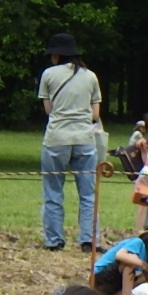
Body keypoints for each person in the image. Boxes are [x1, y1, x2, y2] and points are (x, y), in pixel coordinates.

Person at [38, 33, 102, 253]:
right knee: (88, 193)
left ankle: (54, 240)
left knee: (53, 191)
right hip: (84, 139)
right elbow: (95, 114)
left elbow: (49, 110)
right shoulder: (91, 76)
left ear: (56, 54)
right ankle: (89, 240)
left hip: (56, 138)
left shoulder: (48, 75)